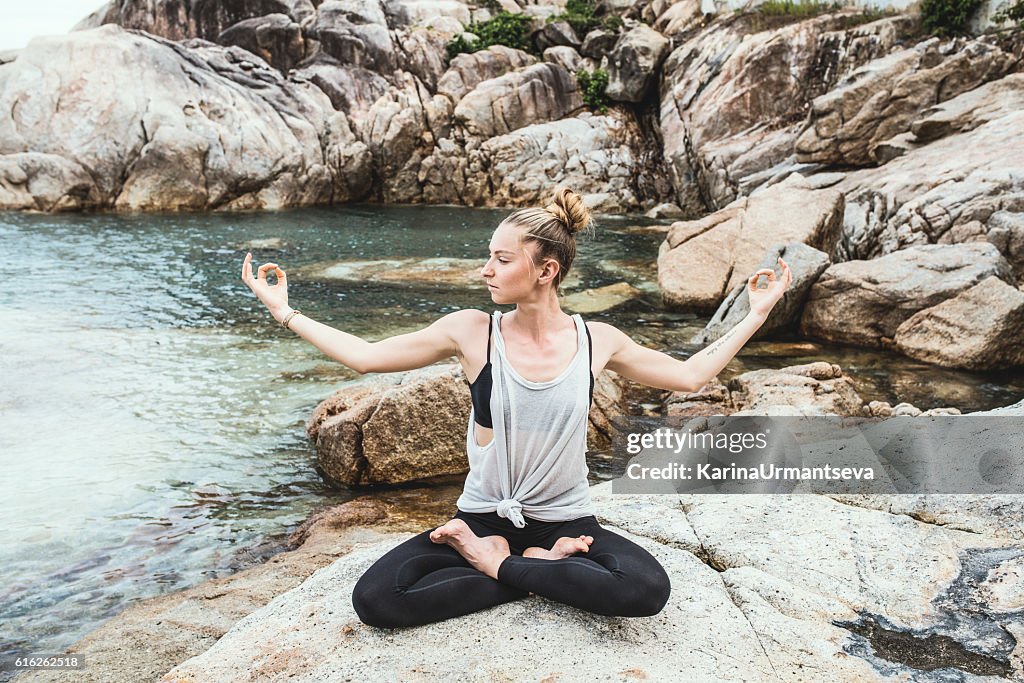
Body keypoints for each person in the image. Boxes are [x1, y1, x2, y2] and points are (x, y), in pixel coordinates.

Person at [240, 188, 792, 628]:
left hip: (567, 523)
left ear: (545, 270)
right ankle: (538, 570)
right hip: (480, 520)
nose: (487, 269)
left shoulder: (599, 339)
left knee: (647, 590)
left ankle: (506, 565)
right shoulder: (472, 330)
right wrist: (285, 312)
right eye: (489, 256)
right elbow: (365, 357)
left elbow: (692, 374)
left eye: (502, 259)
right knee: (378, 600)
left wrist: (756, 313)